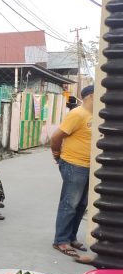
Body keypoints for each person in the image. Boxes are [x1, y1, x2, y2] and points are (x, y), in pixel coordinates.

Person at [50, 84, 94, 259]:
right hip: (74, 165)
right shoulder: (77, 114)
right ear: (90, 96)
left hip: (88, 166)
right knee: (70, 204)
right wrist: (57, 155)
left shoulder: (95, 116)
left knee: (81, 204)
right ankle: (61, 240)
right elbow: (56, 137)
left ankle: (71, 237)